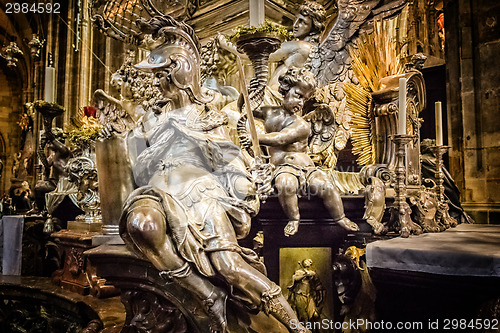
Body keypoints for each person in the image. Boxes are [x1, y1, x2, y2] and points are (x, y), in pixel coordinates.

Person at [120, 15, 310, 333]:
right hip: (153, 193)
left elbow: (230, 158)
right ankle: (207, 296)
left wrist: (240, 184)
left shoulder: (212, 113)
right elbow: (138, 170)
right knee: (143, 225)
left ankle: (294, 325)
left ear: (177, 73)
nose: (155, 83)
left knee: (230, 266)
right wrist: (152, 141)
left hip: (198, 193)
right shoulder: (149, 120)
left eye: (160, 75)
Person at [253, 67, 359, 236]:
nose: (301, 103)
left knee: (326, 186)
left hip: (308, 168)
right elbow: (246, 109)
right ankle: (294, 218)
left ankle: (340, 217)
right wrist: (250, 92)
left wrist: (255, 138)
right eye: (298, 96)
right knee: (286, 185)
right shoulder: (268, 112)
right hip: (283, 168)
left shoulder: (302, 125)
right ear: (286, 89)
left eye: (305, 99)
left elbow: (280, 139)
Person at [288, 259, 326, 326]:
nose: (308, 262)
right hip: (300, 295)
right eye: (306, 261)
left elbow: (317, 284)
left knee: (314, 315)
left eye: (309, 261)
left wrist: (320, 293)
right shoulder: (299, 272)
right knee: (303, 316)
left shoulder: (312, 273)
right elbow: (296, 279)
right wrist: (304, 275)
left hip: (309, 296)